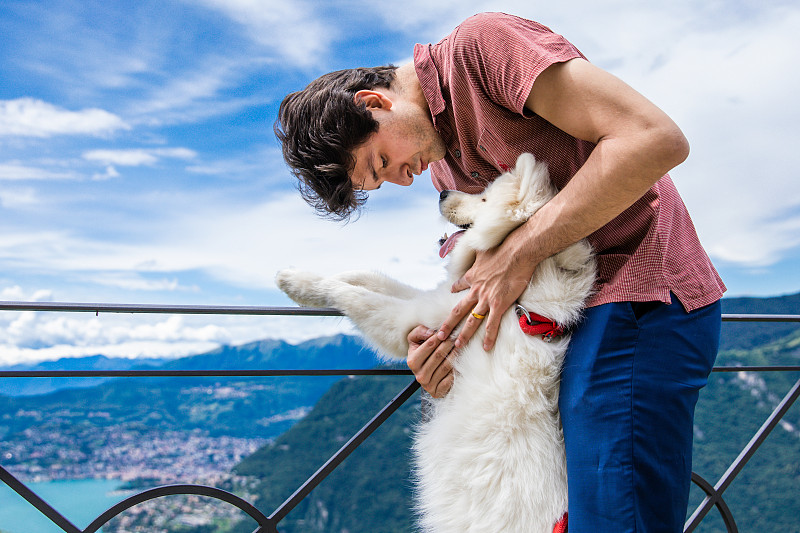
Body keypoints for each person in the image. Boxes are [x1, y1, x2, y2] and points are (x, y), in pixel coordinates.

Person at [274, 12, 726, 533]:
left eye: (380, 162)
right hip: (566, 322)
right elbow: (487, 277)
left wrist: (523, 251)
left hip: (638, 292)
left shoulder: (481, 49)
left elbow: (654, 139)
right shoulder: (441, 160)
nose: (399, 181)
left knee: (613, 520)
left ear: (374, 103)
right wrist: (437, 345)